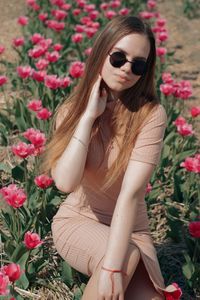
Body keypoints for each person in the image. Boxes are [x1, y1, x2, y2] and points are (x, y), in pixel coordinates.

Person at [41, 15, 176, 300]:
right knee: (122, 259)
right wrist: (89, 116)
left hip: (132, 232)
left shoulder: (150, 116)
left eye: (138, 64)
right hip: (79, 221)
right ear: (102, 53)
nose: (127, 68)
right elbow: (65, 182)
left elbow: (130, 194)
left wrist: (113, 267)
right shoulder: (72, 112)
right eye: (118, 57)